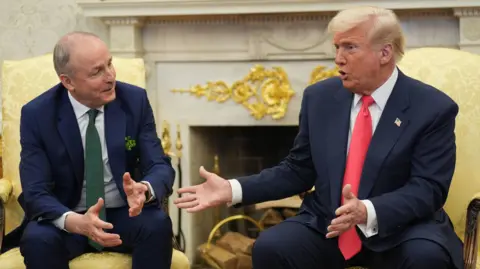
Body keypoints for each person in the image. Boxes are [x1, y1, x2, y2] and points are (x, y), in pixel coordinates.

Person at [174, 6, 464, 269]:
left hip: (400, 229)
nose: (338, 58)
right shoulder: (320, 98)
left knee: (427, 258)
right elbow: (298, 170)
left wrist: (367, 210)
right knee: (273, 247)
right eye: (337, 47)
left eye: (350, 47)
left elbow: (428, 188)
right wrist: (233, 189)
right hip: (329, 224)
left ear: (385, 53)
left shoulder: (432, 108)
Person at [10, 31, 175, 269]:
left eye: (110, 64)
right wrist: (74, 221)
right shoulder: (37, 115)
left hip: (122, 213)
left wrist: (145, 190)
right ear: (68, 82)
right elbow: (36, 191)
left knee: (157, 224)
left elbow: (159, 165)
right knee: (38, 239)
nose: (110, 77)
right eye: (97, 72)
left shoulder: (134, 100)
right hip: (68, 217)